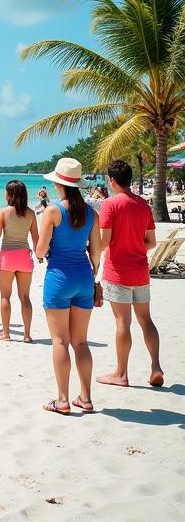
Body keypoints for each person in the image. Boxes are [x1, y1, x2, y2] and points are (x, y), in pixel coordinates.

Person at [36, 158, 102, 414]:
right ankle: (85, 398)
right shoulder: (91, 213)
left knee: (60, 341)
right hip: (84, 277)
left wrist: (41, 252)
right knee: (81, 342)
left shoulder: (52, 211)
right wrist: (93, 272)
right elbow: (96, 253)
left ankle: (62, 399)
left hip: (59, 278)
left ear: (58, 184)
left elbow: (41, 250)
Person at [97, 159, 163, 388]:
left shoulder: (109, 205)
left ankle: (121, 373)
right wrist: (134, 246)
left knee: (122, 322)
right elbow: (151, 242)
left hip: (118, 271)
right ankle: (156, 366)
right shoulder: (143, 205)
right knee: (146, 320)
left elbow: (105, 241)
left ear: (112, 180)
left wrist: (93, 248)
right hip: (140, 271)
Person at [0, 179, 39, 343]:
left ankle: (6, 333)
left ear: (9, 194)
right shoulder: (30, 213)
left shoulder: (3, 212)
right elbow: (36, 237)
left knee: (5, 296)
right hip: (24, 257)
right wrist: (39, 255)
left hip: (7, 257)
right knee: (25, 297)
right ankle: (27, 334)